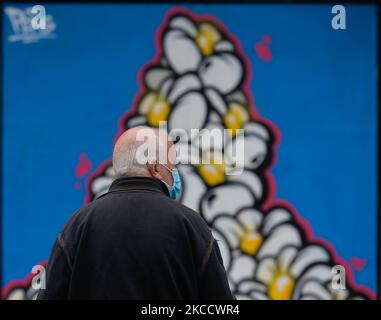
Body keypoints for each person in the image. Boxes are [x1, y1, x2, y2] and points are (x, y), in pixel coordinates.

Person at [37, 127, 234, 299]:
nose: (175, 172)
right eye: (173, 164)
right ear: (155, 167)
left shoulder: (77, 225)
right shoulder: (190, 225)